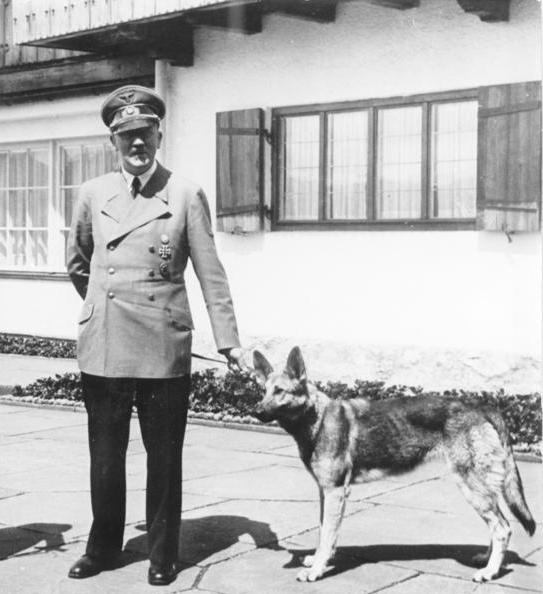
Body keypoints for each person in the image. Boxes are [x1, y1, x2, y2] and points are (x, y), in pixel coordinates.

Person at [66, 84, 244, 586]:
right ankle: (102, 548)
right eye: (126, 136)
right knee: (105, 456)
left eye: (144, 133)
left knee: (164, 457)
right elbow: (78, 264)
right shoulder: (92, 193)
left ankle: (163, 553)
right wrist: (102, 304)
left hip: (163, 345)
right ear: (112, 142)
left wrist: (228, 340)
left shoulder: (185, 193)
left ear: (158, 133)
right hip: (104, 343)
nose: (136, 144)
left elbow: (211, 273)